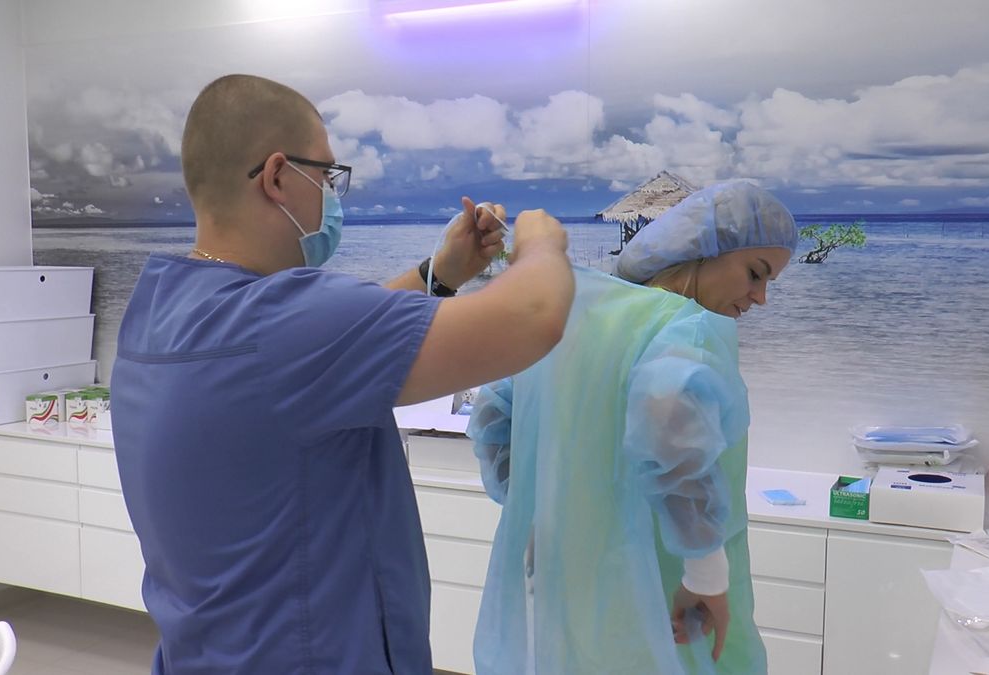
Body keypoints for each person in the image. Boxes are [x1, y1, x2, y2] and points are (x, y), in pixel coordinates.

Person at [110, 74, 574, 674]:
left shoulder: (160, 310)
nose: (333, 195)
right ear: (278, 176)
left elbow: (322, 346)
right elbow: (534, 317)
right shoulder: (284, 325)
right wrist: (542, 245)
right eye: (327, 176)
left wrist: (439, 275)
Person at [467, 180, 797, 674]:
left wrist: (550, 511)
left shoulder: (577, 318)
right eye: (755, 273)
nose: (761, 297)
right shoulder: (687, 327)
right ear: (701, 252)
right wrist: (705, 573)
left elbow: (493, 415)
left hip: (570, 577)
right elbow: (667, 410)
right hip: (663, 586)